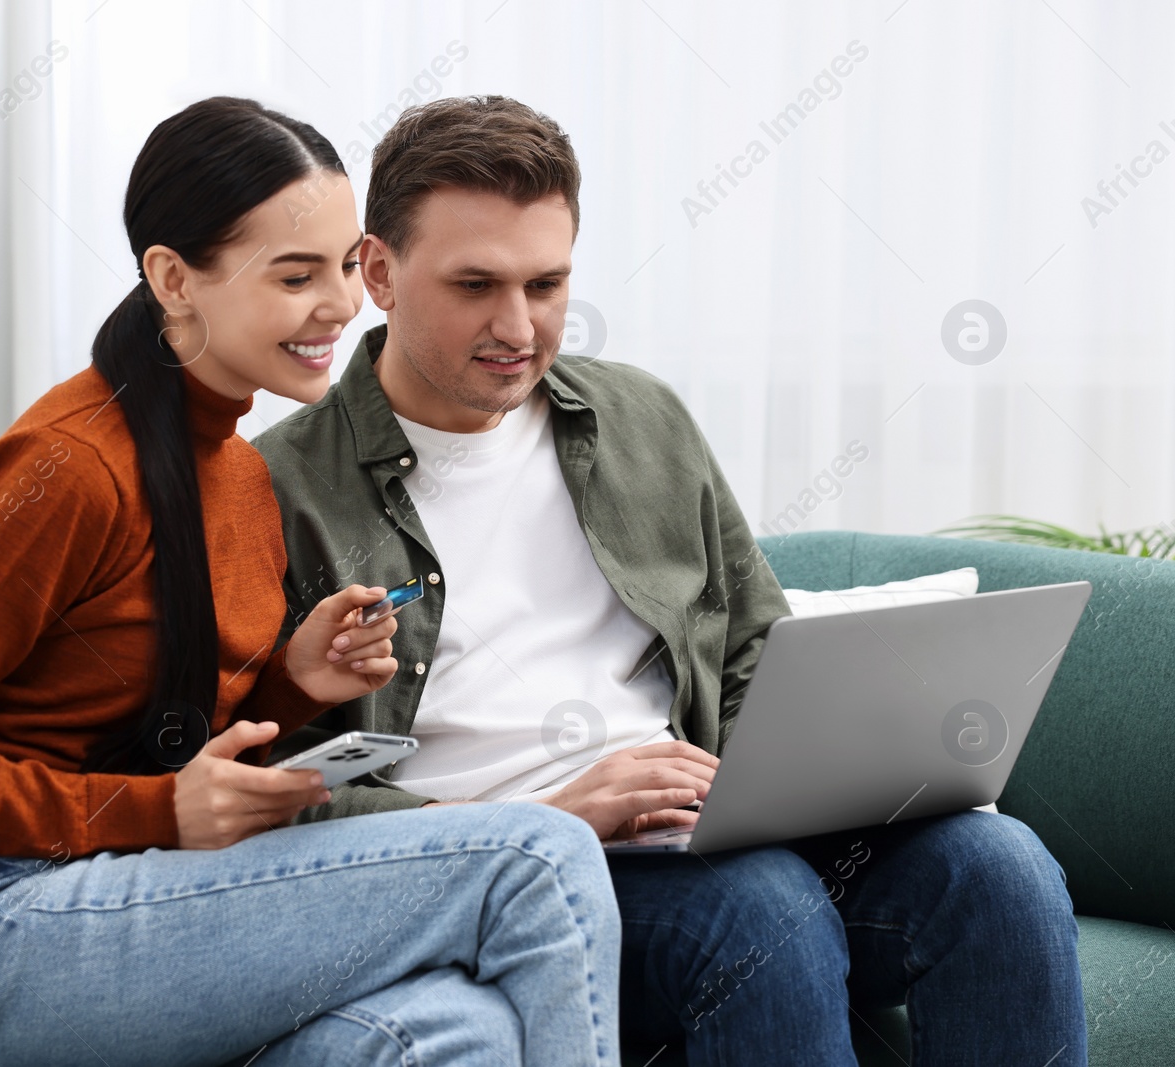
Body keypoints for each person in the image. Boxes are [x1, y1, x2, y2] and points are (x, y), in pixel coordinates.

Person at [251, 94, 1088, 1066]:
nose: (517, 325)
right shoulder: (277, 490)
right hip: (503, 876)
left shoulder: (638, 420)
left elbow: (755, 652)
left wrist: (788, 775)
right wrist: (545, 817)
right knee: (758, 908)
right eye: (475, 283)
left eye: (546, 282)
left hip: (700, 834)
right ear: (380, 272)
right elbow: (275, 792)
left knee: (999, 867)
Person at [0, 96, 623, 1067]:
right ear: (173, 278)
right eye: (293, 274)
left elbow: (170, 722)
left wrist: (292, 678)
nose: (340, 304)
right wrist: (155, 811)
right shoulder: (65, 470)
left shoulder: (237, 471)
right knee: (541, 852)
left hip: (150, 896)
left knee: (446, 1032)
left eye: (338, 267)